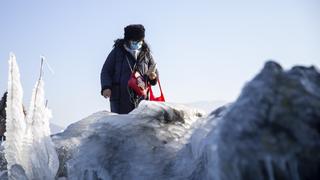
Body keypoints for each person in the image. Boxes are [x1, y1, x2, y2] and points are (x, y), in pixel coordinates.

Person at [100, 24, 158, 114]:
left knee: (140, 125)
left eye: (139, 41)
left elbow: (154, 71)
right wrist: (106, 87)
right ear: (127, 40)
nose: (137, 44)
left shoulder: (146, 53)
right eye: (134, 42)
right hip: (120, 99)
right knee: (122, 126)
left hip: (142, 99)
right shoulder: (117, 52)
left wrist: (153, 77)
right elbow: (106, 71)